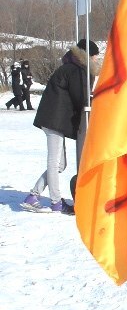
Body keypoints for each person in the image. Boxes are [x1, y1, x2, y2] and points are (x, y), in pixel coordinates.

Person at [22, 39, 100, 214]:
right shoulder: (75, 71)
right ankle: (56, 202)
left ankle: (33, 196)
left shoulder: (72, 67)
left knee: (60, 165)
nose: (96, 60)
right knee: (55, 162)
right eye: (95, 56)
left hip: (54, 121)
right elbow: (82, 98)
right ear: (88, 55)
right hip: (54, 121)